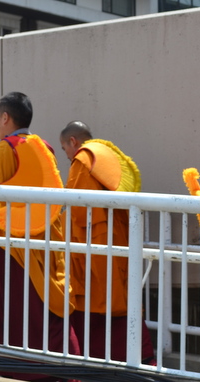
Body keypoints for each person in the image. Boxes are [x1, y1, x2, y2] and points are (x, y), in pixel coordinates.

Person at [0, 91, 80, 381]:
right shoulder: (44, 148)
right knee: (46, 312)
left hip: (12, 250)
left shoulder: (3, 150)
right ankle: (60, 369)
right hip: (46, 247)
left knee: (12, 317)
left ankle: (10, 371)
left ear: (6, 118)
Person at [59, 121, 155, 363]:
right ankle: (136, 356)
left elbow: (77, 209)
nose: (67, 156)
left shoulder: (82, 160)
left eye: (64, 149)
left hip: (95, 242)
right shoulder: (106, 154)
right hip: (118, 237)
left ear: (73, 142)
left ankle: (98, 357)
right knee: (119, 292)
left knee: (98, 295)